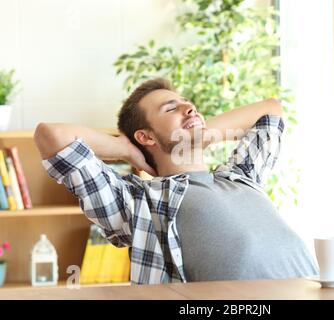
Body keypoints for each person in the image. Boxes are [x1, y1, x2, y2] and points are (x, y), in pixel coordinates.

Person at [34, 78, 318, 285]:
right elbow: (52, 136)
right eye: (172, 109)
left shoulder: (241, 176)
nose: (190, 109)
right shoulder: (139, 202)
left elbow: (271, 111)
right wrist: (127, 149)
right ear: (146, 137)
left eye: (188, 104)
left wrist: (199, 133)